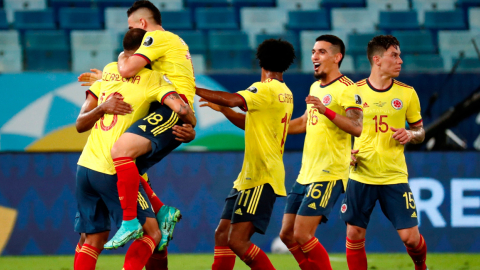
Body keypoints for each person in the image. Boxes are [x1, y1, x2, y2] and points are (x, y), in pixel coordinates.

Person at [79, 0, 197, 250]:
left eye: (132, 26)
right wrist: (106, 76)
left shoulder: (155, 38)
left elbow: (128, 69)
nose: (134, 33)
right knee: (126, 164)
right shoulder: (172, 44)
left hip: (171, 106)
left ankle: (130, 221)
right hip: (166, 105)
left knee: (120, 151)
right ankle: (162, 210)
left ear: (142, 24)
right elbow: (131, 77)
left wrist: (120, 60)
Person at [197, 39, 295, 270]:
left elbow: (232, 98)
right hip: (250, 176)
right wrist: (223, 110)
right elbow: (249, 123)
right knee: (222, 233)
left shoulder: (264, 88)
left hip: (261, 176)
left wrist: (190, 88)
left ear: (260, 60)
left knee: (237, 241)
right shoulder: (284, 92)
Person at [341, 35, 427, 270]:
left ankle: (421, 267)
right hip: (361, 175)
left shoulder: (407, 93)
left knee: (410, 238)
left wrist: (410, 135)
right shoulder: (353, 92)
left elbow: (421, 132)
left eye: (399, 55)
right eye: (394, 55)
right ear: (377, 60)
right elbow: (340, 130)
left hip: (394, 175)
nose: (400, 60)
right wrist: (345, 152)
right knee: (355, 233)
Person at [277, 35, 363, 270]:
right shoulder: (315, 86)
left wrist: (327, 111)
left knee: (303, 234)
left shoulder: (348, 88)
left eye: (322, 52)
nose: (314, 56)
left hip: (329, 172)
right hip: (306, 172)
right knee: (287, 235)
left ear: (337, 57)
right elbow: (306, 121)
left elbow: (357, 126)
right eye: (314, 51)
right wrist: (275, 129)